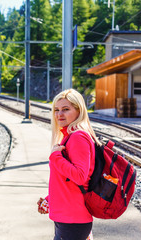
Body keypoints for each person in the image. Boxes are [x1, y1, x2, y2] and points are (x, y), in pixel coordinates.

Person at [37, 88, 101, 240]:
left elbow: (80, 176)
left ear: (79, 111)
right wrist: (50, 199)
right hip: (67, 217)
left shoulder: (78, 137)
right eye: (56, 110)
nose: (59, 114)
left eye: (65, 109)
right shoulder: (70, 136)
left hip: (73, 220)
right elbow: (66, 180)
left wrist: (55, 156)